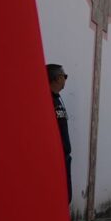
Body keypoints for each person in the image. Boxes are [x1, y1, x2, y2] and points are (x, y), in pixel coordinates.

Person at [47, 64, 71, 203]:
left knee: (65, 197)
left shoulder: (58, 99)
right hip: (54, 158)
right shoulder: (46, 100)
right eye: (64, 76)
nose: (65, 80)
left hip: (64, 156)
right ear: (57, 78)